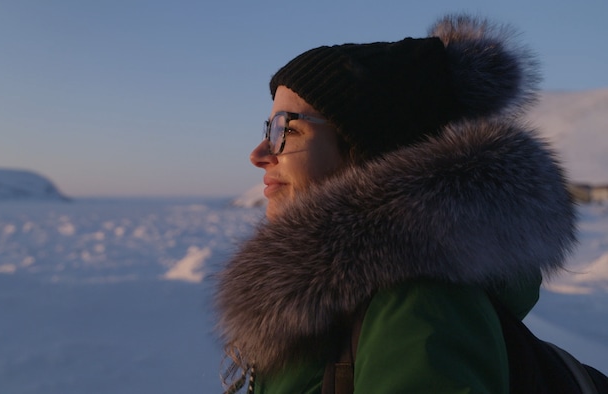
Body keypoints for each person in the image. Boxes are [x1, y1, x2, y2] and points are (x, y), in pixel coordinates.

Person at [215, 14, 577, 393]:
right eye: (267, 128)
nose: (259, 153)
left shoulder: (420, 302)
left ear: (369, 149)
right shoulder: (344, 299)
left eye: (285, 129)